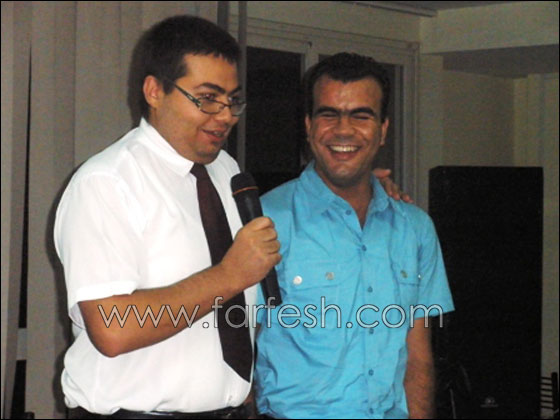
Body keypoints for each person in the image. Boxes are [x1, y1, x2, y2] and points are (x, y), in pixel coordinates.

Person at [54, 16, 405, 419]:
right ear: (154, 91)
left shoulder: (225, 170)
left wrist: (366, 190)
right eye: (207, 98)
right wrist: (229, 276)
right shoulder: (107, 183)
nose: (224, 116)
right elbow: (112, 329)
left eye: (232, 100)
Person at [254, 53, 454, 419]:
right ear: (309, 126)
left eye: (361, 115)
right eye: (329, 114)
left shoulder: (415, 229)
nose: (343, 130)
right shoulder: (265, 222)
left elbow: (418, 358)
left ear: (383, 129)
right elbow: (237, 351)